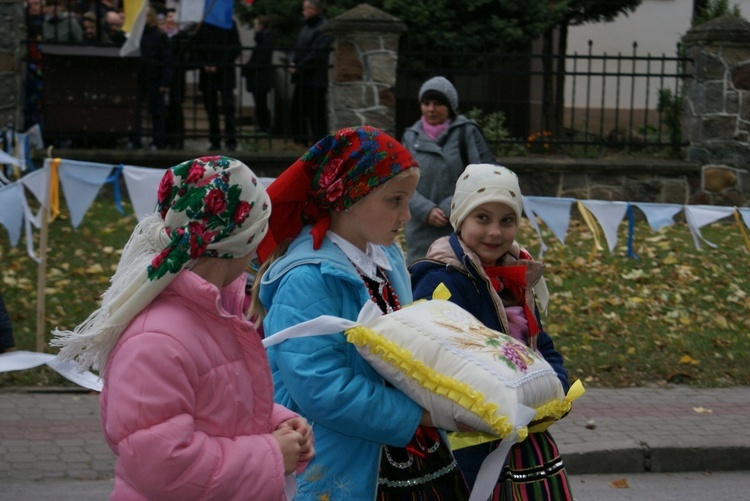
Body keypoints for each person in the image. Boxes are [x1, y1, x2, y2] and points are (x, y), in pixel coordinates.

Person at [51, 156, 314, 499]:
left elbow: (217, 406)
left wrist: (275, 422)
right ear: (242, 242)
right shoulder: (157, 340)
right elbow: (161, 466)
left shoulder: (216, 314)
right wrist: (270, 454)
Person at [250, 126, 470, 500]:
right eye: (394, 200)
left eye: (408, 201)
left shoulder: (387, 259)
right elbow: (320, 387)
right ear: (348, 198)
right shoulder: (307, 278)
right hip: (339, 460)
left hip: (408, 450)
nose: (406, 214)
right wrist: (419, 415)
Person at [410, 163, 574, 500]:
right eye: (482, 218)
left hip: (522, 436)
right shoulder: (442, 279)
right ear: (460, 219)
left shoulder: (514, 274)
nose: (495, 232)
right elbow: (434, 361)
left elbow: (538, 341)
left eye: (507, 220)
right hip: (465, 442)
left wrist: (557, 386)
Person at [401, 75, 496, 265]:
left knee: (456, 277)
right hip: (420, 226)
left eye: (438, 103)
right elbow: (401, 180)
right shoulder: (411, 136)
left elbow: (478, 176)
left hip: (458, 223)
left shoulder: (465, 132)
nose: (431, 109)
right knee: (421, 278)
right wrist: (425, 210)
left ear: (450, 106)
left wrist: (447, 208)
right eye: (426, 103)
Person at [192, 20, 242, 151]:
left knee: (228, 107)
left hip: (225, 73)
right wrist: (204, 64)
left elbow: (235, 47)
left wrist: (218, 64)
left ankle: (231, 140)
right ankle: (215, 140)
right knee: (210, 109)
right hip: (207, 75)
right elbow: (195, 48)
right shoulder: (202, 24)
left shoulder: (229, 23)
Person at [288, 0, 332, 144]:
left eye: (306, 8)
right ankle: (300, 142)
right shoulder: (306, 27)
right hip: (302, 78)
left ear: (316, 9)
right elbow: (297, 48)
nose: (304, 12)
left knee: (316, 115)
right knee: (297, 112)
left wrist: (299, 66)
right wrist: (292, 61)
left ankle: (320, 144)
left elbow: (317, 54)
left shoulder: (323, 27)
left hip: (315, 79)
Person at [132, 5, 172, 150]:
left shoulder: (160, 35)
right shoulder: (138, 34)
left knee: (157, 112)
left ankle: (157, 141)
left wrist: (164, 81)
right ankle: (136, 140)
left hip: (155, 78)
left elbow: (166, 60)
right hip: (140, 77)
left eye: (147, 16)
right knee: (135, 111)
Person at [242, 14, 274, 134]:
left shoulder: (263, 39)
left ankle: (264, 127)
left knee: (261, 103)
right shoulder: (263, 39)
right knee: (260, 103)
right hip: (259, 77)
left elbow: (260, 59)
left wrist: (247, 66)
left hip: (260, 78)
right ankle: (263, 126)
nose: (254, 27)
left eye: (256, 24)